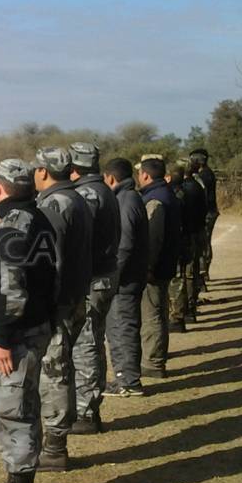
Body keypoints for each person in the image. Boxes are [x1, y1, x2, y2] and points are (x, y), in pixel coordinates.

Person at [0, 159, 58, 483]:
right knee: (22, 404)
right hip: (36, 326)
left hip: (18, 333)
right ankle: (15, 482)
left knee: (14, 409)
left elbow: (11, 291)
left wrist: (3, 338)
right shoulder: (39, 218)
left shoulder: (13, 226)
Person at [31, 147, 92, 471]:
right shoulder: (77, 198)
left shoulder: (55, 204)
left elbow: (51, 261)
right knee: (62, 365)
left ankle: (55, 447)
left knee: (54, 371)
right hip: (76, 297)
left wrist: (42, 305)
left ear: (43, 171)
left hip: (59, 303)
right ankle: (57, 439)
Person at [68, 143, 120, 435]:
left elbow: (80, 239)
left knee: (86, 343)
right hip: (105, 275)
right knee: (94, 340)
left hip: (94, 279)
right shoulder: (104, 190)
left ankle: (86, 412)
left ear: (75, 167)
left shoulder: (88, 194)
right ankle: (91, 407)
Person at [103, 158, 149, 397]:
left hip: (125, 280)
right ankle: (126, 377)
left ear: (110, 178)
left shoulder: (126, 200)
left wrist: (113, 277)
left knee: (122, 328)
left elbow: (124, 244)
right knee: (120, 327)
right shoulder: (130, 197)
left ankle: (129, 381)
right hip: (130, 277)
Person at [138, 158, 181, 379]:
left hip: (156, 268)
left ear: (145, 175)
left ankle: (152, 361)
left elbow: (153, 238)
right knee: (159, 312)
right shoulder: (167, 193)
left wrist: (147, 266)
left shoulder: (155, 200)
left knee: (152, 314)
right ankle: (157, 356)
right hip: (166, 263)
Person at [167, 163, 207, 330]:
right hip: (191, 235)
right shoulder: (194, 188)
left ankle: (178, 316)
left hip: (181, 238)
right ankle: (188, 308)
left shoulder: (175, 194)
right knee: (188, 274)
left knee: (178, 279)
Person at [189, 148, 219, 280]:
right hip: (208, 212)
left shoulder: (205, 175)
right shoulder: (205, 173)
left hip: (207, 213)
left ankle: (204, 272)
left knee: (204, 242)